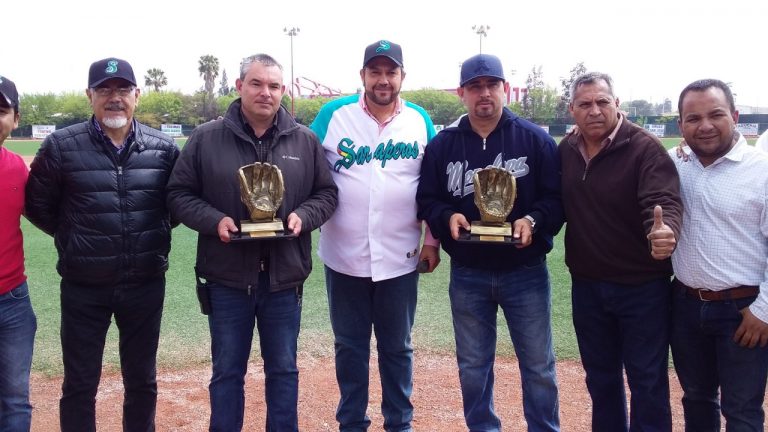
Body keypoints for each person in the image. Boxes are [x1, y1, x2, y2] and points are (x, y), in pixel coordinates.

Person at [166, 53, 337, 432]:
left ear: (283, 91)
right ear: (240, 86)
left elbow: (326, 194)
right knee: (227, 372)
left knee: (283, 371)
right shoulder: (206, 138)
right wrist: (215, 221)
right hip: (227, 278)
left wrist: (303, 216)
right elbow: (178, 194)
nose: (266, 93)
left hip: (284, 279)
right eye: (257, 84)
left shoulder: (305, 140)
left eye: (274, 86)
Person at [24, 58, 179, 432]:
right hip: (83, 287)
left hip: (144, 283)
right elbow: (37, 206)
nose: (115, 98)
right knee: (79, 384)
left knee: (142, 381)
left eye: (123, 89)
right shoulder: (61, 146)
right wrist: (77, 237)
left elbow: (175, 207)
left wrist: (147, 236)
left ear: (137, 96)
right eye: (105, 90)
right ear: (89, 95)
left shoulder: (162, 149)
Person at [416, 53, 563, 432]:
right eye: (476, 86)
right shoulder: (445, 143)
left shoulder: (534, 139)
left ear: (504, 89)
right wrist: (446, 217)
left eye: (491, 85)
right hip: (468, 273)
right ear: (463, 92)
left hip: (525, 271)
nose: (484, 93)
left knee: (538, 366)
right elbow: (427, 198)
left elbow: (556, 198)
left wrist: (533, 220)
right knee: (473, 367)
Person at [309, 39, 439, 432]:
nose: (383, 79)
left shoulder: (419, 119)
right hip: (343, 256)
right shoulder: (333, 114)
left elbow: (433, 187)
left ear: (402, 76)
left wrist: (431, 240)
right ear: (362, 75)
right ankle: (352, 422)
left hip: (400, 257)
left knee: (397, 348)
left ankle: (399, 423)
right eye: (375, 71)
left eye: (391, 71)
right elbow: (303, 164)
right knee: (349, 347)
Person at [558, 72, 682, 431]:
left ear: (616, 104)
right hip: (588, 287)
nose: (594, 110)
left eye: (602, 102)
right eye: (585, 104)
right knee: (601, 379)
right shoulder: (566, 150)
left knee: (647, 381)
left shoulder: (644, 148)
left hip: (641, 288)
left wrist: (664, 230)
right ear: (572, 110)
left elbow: (662, 201)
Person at [671, 78, 768, 431]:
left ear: (735, 116)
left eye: (715, 115)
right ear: (680, 125)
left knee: (742, 410)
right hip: (685, 305)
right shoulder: (674, 164)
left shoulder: (762, 170)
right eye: (693, 119)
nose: (705, 125)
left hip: (743, 311)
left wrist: (764, 311)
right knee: (696, 400)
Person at [0, 75, 36, 431]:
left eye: (0, 110)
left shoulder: (17, 170)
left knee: (14, 400)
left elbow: (52, 217)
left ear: (15, 119)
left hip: (11, 302)